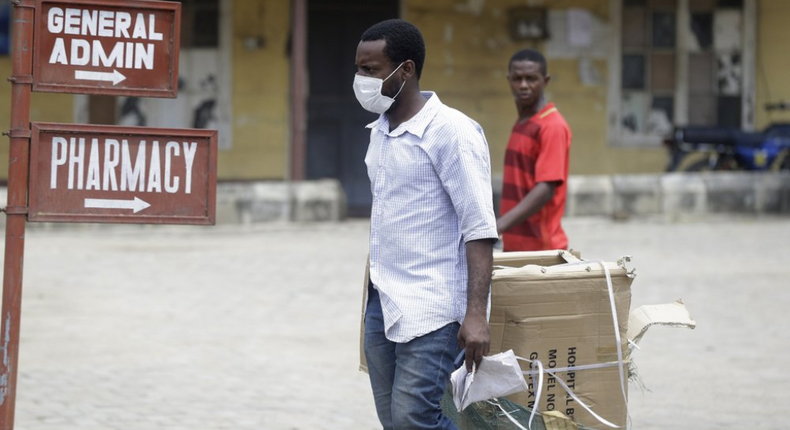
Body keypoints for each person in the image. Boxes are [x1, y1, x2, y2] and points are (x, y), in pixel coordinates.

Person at [354, 19, 498, 430]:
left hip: (434, 309)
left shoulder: (452, 132)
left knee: (416, 420)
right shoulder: (379, 131)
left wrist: (475, 314)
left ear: (406, 70)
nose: (361, 80)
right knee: (395, 422)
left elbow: (479, 228)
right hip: (383, 304)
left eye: (371, 70)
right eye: (359, 69)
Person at [497, 49, 572, 252]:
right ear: (508, 80)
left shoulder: (552, 126)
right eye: (517, 78)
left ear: (545, 81)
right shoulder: (523, 122)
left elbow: (546, 189)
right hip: (516, 244)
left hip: (541, 247)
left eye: (531, 79)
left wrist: (498, 227)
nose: (523, 85)